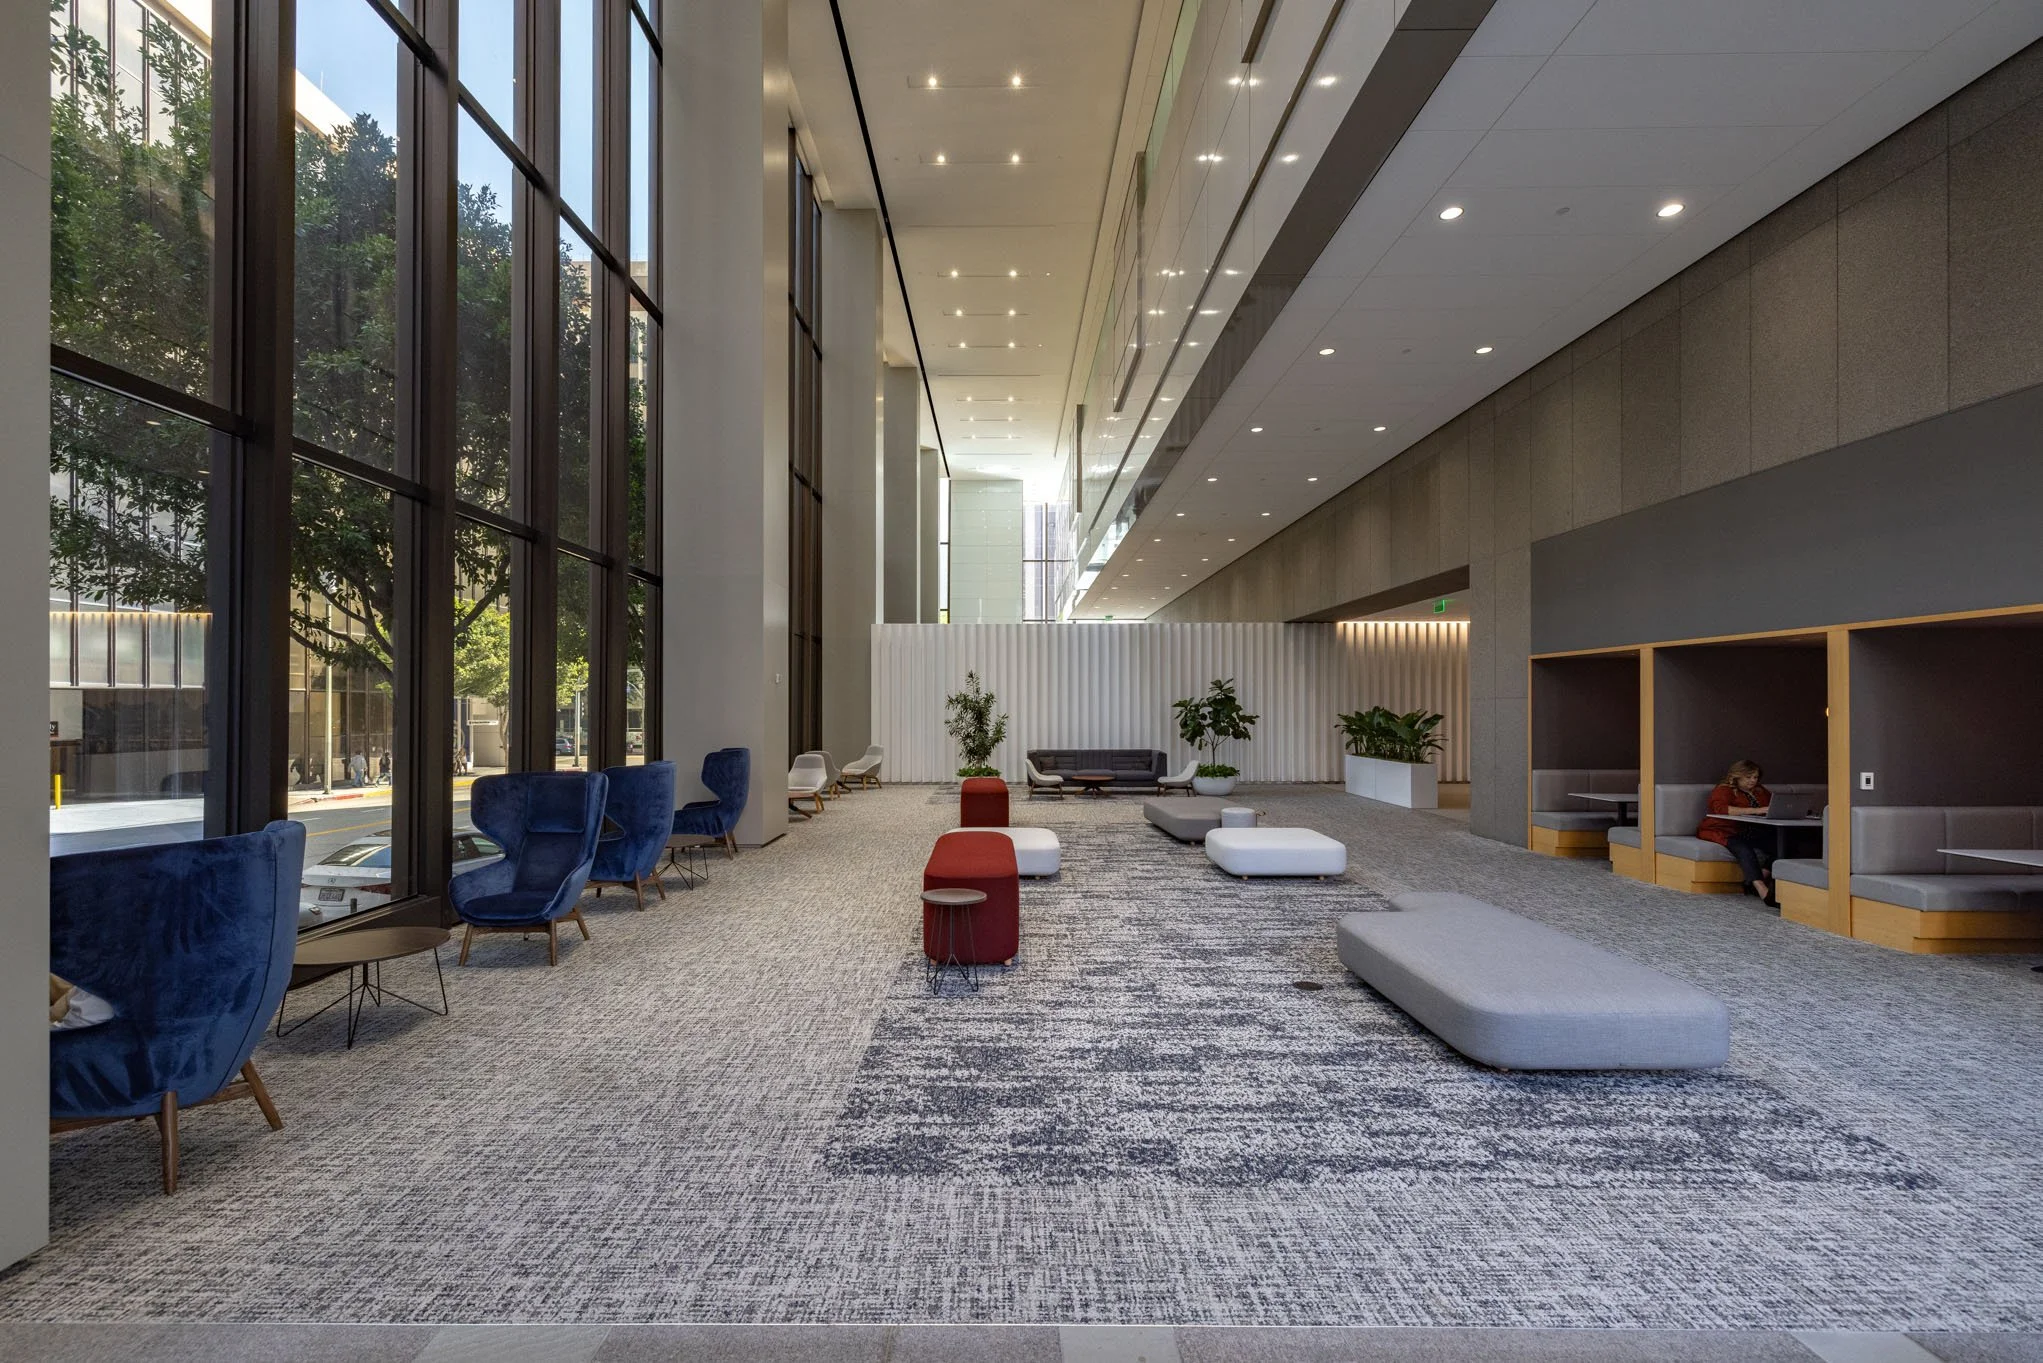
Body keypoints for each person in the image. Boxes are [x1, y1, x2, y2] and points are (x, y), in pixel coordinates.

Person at [1698, 758, 1776, 906]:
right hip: (1723, 830)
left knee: (1784, 843)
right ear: (1737, 776)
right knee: (1743, 849)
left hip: (1751, 830)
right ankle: (1761, 888)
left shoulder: (1759, 790)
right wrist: (1756, 810)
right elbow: (1722, 809)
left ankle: (1761, 875)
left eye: (1755, 777)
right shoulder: (1723, 790)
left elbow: (1773, 804)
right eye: (1748, 777)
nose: (1753, 781)